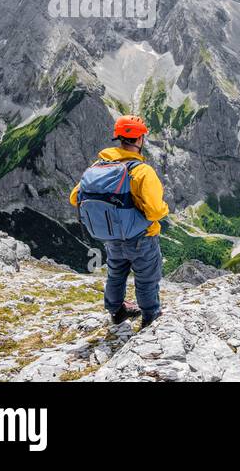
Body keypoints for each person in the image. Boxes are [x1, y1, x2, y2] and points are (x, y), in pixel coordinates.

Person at [70, 115, 170, 329]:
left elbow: (74, 197)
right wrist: (165, 208)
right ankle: (150, 316)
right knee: (146, 278)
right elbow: (153, 212)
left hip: (112, 236)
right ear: (140, 139)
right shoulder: (142, 171)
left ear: (119, 137)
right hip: (141, 238)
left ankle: (116, 311)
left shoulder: (98, 167)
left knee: (116, 274)